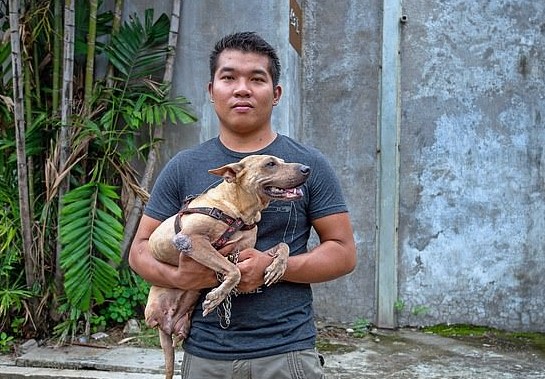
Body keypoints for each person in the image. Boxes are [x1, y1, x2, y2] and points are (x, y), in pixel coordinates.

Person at [129, 31, 357, 379]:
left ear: (276, 93)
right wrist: (179, 275)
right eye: (229, 77)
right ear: (211, 91)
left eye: (257, 79)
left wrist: (272, 267)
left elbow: (343, 252)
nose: (242, 89)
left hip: (287, 353)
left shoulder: (305, 165)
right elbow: (139, 252)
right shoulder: (184, 166)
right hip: (205, 354)